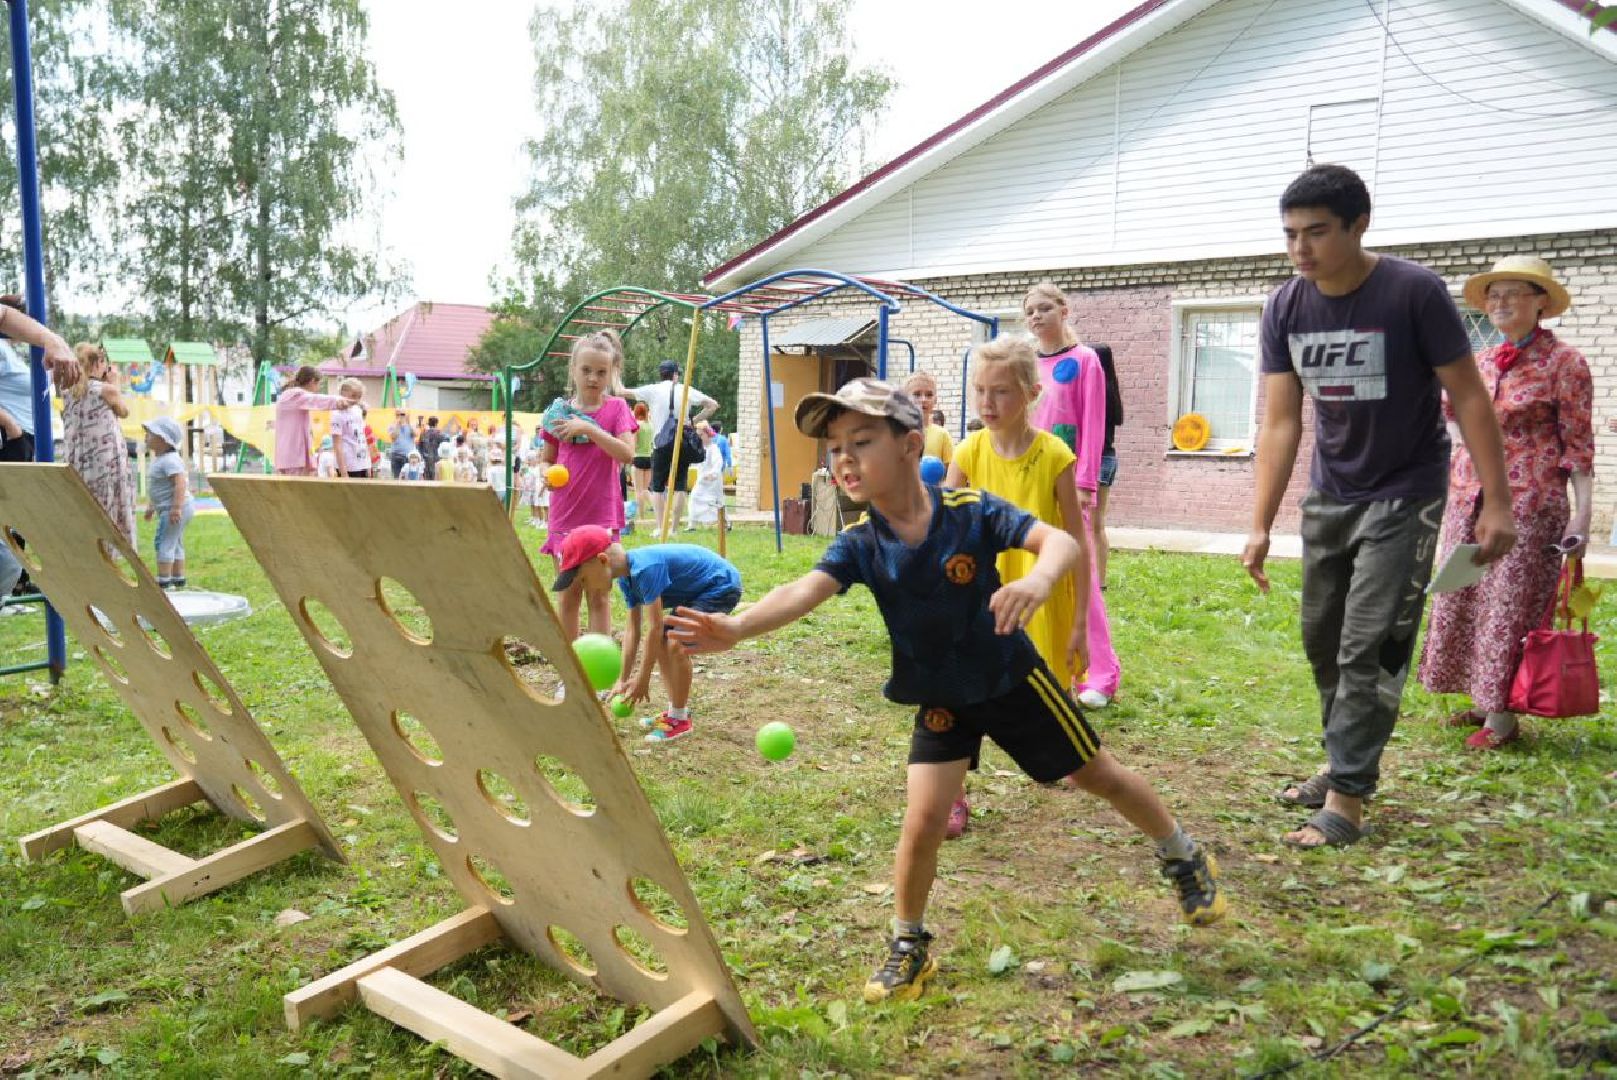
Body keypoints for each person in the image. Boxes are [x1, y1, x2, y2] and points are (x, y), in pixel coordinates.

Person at [667, 378, 1225, 1003]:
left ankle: (1182, 854)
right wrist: (738, 626)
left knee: (1099, 776)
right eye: (833, 448)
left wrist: (1038, 582)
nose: (844, 459)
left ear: (910, 445)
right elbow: (804, 589)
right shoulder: (861, 545)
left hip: (1014, 682)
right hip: (940, 694)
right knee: (924, 819)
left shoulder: (969, 511)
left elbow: (1061, 541)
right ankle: (908, 945)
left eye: (861, 441)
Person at [1243, 164, 1516, 848]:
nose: (1299, 249)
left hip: (1405, 493)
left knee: (1370, 643)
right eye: (1289, 235)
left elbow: (1469, 396)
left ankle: (1346, 799)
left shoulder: (1412, 292)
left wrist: (1496, 501)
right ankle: (1343, 760)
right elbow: (1280, 421)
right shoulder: (1285, 306)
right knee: (1323, 639)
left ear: (1358, 225)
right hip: (1330, 494)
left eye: (1316, 232)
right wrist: (1257, 522)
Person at [1418, 257, 1594, 751]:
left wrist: (1583, 512)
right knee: (1465, 596)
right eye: (1493, 295)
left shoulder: (1566, 363)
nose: (1500, 303)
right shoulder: (1478, 360)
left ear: (1541, 302)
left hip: (1529, 504)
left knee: (1507, 605)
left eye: (1513, 293)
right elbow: (1450, 414)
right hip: (1468, 497)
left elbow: (1578, 443)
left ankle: (1502, 718)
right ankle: (1481, 697)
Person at [944, 337, 1089, 839]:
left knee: (1045, 691)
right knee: (960, 700)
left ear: (1030, 393)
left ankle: (1068, 755)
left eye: (1001, 392)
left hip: (1043, 602)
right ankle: (953, 794)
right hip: (978, 601)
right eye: (980, 390)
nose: (987, 403)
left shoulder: (1055, 458)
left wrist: (1079, 625)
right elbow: (944, 535)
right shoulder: (966, 452)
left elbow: (1076, 543)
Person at [1023, 282, 1121, 709]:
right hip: (1029, 479)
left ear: (1064, 310)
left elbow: (1094, 423)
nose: (1036, 316)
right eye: (1030, 311)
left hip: (1070, 482)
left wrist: (1085, 483)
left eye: (1045, 308)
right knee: (1037, 569)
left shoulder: (1085, 362)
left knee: (1081, 575)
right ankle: (1048, 664)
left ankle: (1100, 673)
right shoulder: (1025, 363)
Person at [555, 524, 742, 743]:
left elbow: (653, 627)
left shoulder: (645, 569)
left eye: (584, 579)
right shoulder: (627, 579)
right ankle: (675, 712)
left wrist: (643, 679)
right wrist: (623, 680)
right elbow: (633, 630)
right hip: (698, 591)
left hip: (720, 585)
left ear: (603, 560)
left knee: (674, 643)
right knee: (665, 640)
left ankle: (680, 719)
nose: (585, 586)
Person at [537, 333, 637, 639]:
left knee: (599, 596)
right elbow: (547, 459)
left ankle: (598, 677)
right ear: (574, 370)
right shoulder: (557, 414)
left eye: (601, 372)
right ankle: (572, 677)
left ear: (612, 373)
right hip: (565, 515)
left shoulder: (617, 408)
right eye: (586, 370)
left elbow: (627, 454)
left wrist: (590, 429)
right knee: (568, 597)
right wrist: (545, 473)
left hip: (602, 517)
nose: (593, 378)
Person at [0, 298, 80, 602]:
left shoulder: (10, 350)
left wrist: (51, 340)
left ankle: (19, 581)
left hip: (22, 438)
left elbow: (5, 314)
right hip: (13, 439)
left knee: (12, 539)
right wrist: (10, 426)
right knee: (7, 555)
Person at [624, 359, 717, 533]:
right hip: (682, 440)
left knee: (657, 486)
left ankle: (661, 527)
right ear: (675, 374)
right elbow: (712, 405)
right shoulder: (685, 389)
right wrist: (692, 421)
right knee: (680, 485)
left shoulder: (653, 389)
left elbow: (624, 392)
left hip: (661, 441)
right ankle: (674, 528)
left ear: (661, 374)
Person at [62, 343, 136, 545]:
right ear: (97, 363)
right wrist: (115, 383)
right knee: (109, 505)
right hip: (105, 461)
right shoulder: (105, 390)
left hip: (78, 461)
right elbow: (124, 412)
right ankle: (111, 548)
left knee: (85, 505)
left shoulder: (68, 392)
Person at [1087, 343, 1125, 590]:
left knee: (1088, 524)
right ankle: (1099, 581)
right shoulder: (1111, 393)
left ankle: (1093, 581)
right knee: (1097, 524)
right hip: (1108, 458)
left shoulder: (1094, 392)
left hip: (1095, 460)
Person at [273, 365, 354, 476]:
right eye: (319, 384)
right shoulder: (295, 395)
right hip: (294, 457)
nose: (319, 388)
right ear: (312, 381)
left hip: (290, 457)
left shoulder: (289, 396)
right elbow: (316, 400)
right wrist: (339, 401)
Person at [142, 417, 193, 589]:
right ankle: (178, 578)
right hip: (175, 507)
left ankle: (164, 581)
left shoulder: (169, 460)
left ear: (163, 439)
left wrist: (176, 508)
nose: (146, 437)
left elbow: (180, 483)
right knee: (175, 541)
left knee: (163, 542)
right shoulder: (163, 459)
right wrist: (151, 506)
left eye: (150, 434)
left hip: (176, 508)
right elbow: (160, 487)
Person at [903, 371, 954, 465]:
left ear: (935, 400)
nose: (923, 399)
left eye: (929, 395)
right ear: (905, 399)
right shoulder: (898, 434)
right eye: (917, 394)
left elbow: (950, 473)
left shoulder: (942, 435)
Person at [685, 422, 726, 529]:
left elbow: (718, 463)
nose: (699, 438)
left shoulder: (713, 448)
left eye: (701, 435)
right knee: (694, 497)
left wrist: (713, 474)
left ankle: (724, 522)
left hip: (713, 481)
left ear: (708, 434)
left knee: (717, 502)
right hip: (702, 479)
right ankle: (692, 524)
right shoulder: (700, 449)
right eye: (698, 436)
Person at [331, 378, 371, 479]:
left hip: (362, 463)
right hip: (348, 465)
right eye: (353, 396)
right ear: (342, 394)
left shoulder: (358, 410)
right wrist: (344, 472)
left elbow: (361, 438)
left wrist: (367, 464)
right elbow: (337, 444)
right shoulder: (337, 414)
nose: (355, 400)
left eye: (359, 397)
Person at [630, 400, 654, 522]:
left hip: (638, 457)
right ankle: (659, 507)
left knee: (638, 490)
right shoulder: (650, 425)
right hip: (649, 457)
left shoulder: (636, 425)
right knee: (645, 489)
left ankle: (641, 517)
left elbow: (633, 444)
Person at [388, 410, 416, 479]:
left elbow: (415, 434)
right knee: (396, 477)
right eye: (398, 414)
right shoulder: (392, 426)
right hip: (396, 455)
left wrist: (408, 422)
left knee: (408, 478)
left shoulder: (411, 425)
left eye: (402, 414)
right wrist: (398, 425)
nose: (400, 416)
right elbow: (393, 437)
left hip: (408, 455)